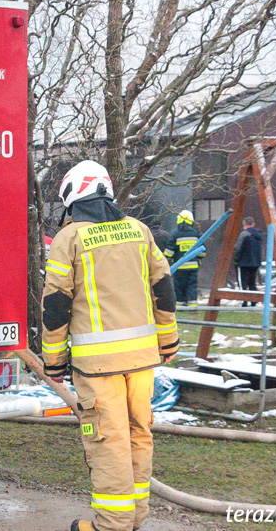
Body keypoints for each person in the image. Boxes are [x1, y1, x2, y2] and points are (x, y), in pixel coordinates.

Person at [41, 160, 179, 531]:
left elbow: (56, 307)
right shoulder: (138, 230)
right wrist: (168, 340)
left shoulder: (69, 240)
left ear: (73, 196)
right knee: (138, 434)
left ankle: (111, 525)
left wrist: (53, 361)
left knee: (108, 442)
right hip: (142, 361)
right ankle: (133, 518)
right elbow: (163, 289)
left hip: (98, 368)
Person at [163, 210, 204, 306]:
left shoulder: (175, 234)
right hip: (193, 267)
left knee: (179, 286)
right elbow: (202, 253)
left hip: (179, 266)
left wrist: (165, 258)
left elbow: (169, 253)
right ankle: (192, 304)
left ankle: (179, 304)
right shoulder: (196, 234)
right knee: (192, 286)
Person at [234, 217, 263, 307]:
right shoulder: (259, 235)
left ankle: (245, 301)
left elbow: (238, 247)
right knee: (252, 282)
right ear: (253, 224)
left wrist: (236, 258)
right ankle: (253, 301)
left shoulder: (244, 234)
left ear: (244, 224)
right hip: (255, 262)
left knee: (243, 282)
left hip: (244, 262)